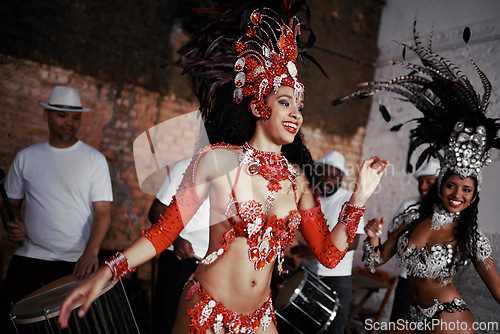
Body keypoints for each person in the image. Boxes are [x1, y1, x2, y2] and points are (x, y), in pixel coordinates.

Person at [58, 2, 389, 333]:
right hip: (206, 311)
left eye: (299, 107)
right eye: (285, 103)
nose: (296, 114)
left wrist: (360, 194)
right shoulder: (217, 160)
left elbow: (329, 255)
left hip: (260, 318)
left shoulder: (297, 180)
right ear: (260, 105)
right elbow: (164, 233)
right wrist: (107, 271)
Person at [335, 23, 500, 333]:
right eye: (452, 185)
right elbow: (375, 261)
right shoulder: (412, 217)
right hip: (412, 316)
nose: (457, 194)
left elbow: (498, 290)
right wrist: (372, 237)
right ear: (440, 185)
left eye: (467, 189)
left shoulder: (470, 235)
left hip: (448, 318)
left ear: (474, 195)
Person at [0, 85, 113, 332]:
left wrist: (92, 252)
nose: (69, 123)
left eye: (75, 117)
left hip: (76, 264)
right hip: (30, 257)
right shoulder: (26, 157)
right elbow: (10, 205)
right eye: (62, 115)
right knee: (12, 323)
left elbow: (103, 212)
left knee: (70, 329)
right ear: (47, 115)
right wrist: (13, 225)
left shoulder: (95, 160)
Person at [292, 150, 365, 334]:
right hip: (308, 273)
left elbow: (354, 242)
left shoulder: (349, 200)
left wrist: (314, 252)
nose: (327, 180)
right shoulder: (310, 197)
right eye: (323, 173)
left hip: (336, 278)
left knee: (333, 330)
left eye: (333, 176)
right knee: (300, 327)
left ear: (341, 178)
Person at [367, 160, 440, 322]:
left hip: (436, 289)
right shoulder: (410, 207)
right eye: (420, 182)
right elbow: (389, 242)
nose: (422, 186)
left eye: (429, 182)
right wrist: (375, 237)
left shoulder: (451, 215)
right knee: (400, 324)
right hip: (408, 281)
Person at [148, 158, 209, 334]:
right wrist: (176, 240)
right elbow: (156, 211)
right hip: (181, 261)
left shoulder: (239, 173)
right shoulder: (187, 166)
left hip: (213, 267)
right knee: (169, 323)